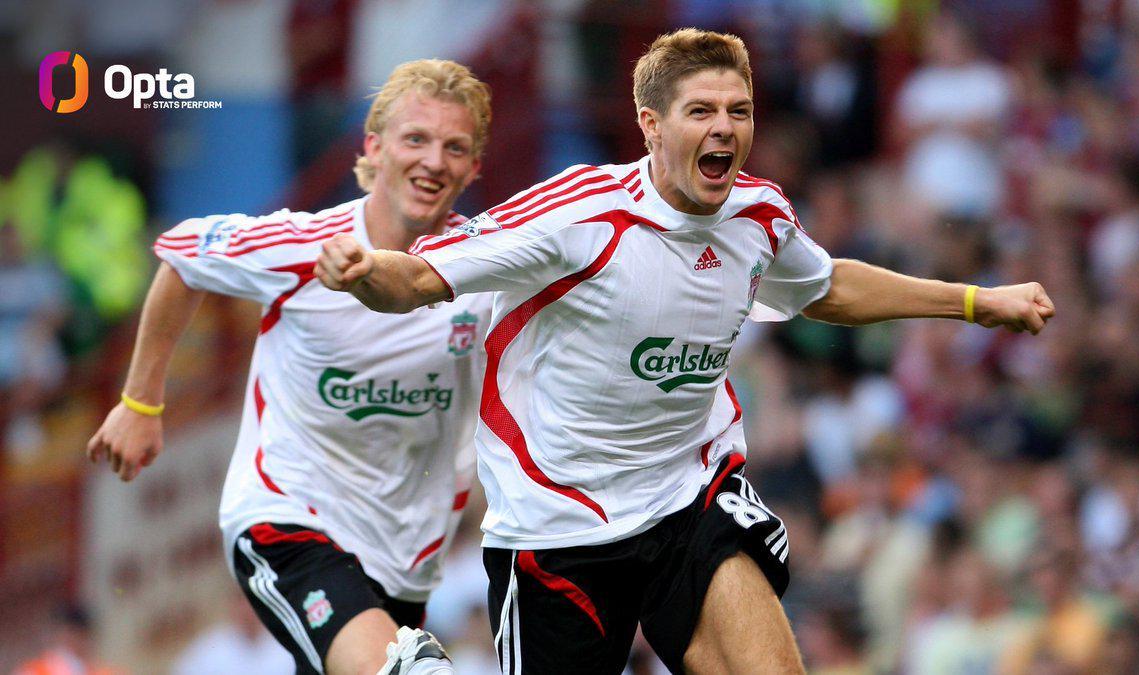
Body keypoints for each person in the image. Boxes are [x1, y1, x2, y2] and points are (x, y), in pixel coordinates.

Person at [316, 29, 1055, 674]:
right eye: (701, 111)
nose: (724, 128)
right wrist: (363, 272)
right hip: (558, 523)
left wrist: (975, 302)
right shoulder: (578, 216)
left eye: (739, 111)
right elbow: (417, 279)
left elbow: (827, 287)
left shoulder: (758, 215)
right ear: (651, 125)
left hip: (688, 497)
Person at [87, 59, 495, 675]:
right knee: (407, 670)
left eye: (454, 147)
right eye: (416, 139)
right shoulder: (303, 245)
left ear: (475, 166)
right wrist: (139, 403)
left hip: (407, 555)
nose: (434, 161)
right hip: (287, 519)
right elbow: (183, 256)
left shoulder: (487, 267)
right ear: (374, 147)